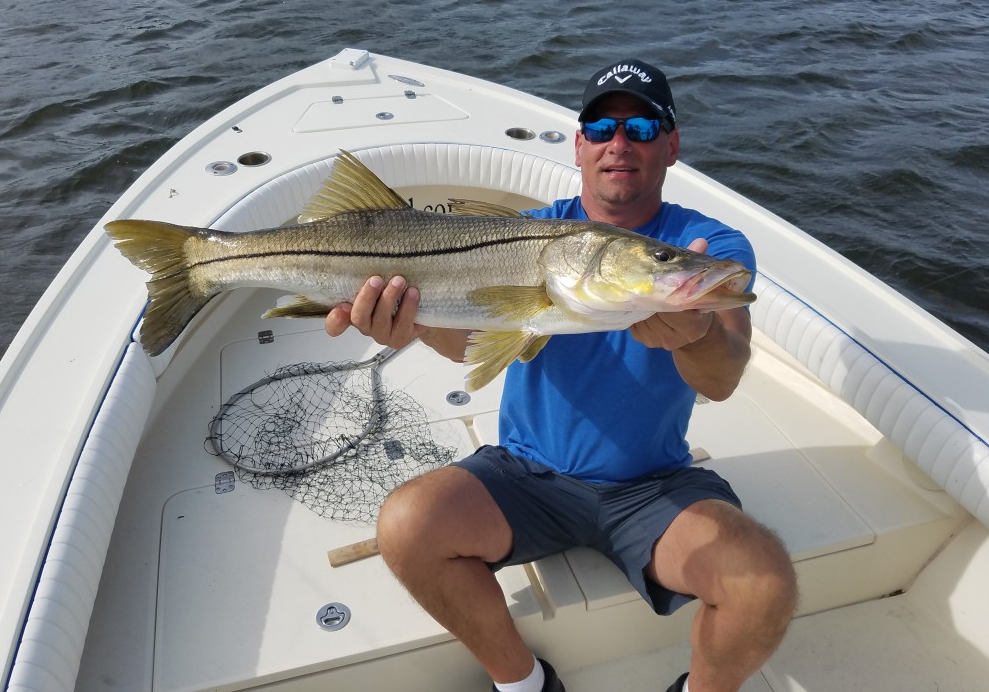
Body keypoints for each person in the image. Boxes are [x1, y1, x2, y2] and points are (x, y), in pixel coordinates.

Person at [325, 59, 798, 692]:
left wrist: (697, 332)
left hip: (651, 489)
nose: (618, 144)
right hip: (523, 475)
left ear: (672, 144)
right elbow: (470, 339)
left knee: (763, 581)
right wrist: (406, 324)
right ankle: (523, 684)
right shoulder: (529, 230)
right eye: (601, 127)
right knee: (407, 526)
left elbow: (723, 376)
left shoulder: (706, 246)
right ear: (579, 145)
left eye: (642, 127)